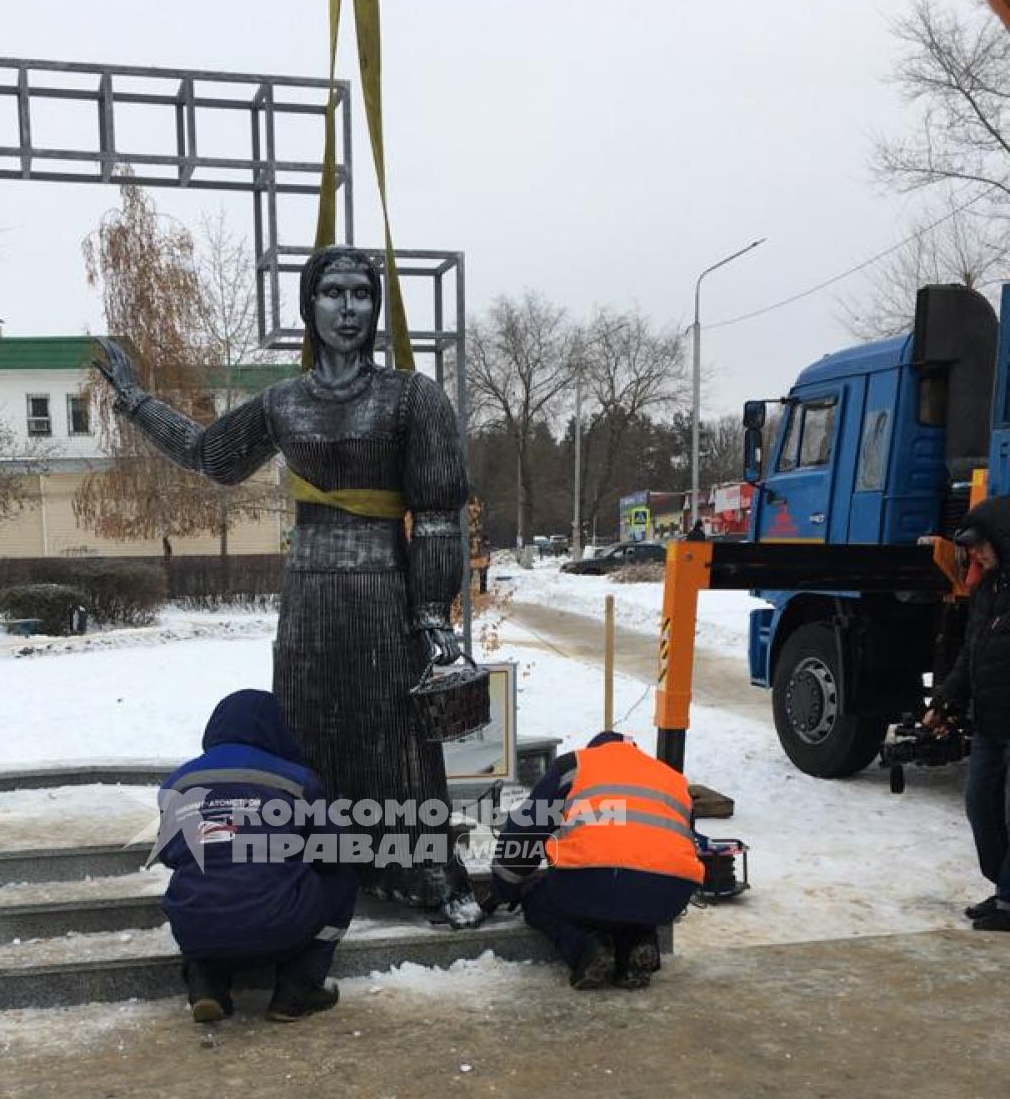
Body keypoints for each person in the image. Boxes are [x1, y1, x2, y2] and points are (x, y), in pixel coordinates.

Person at [93, 244, 479, 926]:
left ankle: (423, 867)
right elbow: (209, 454)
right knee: (308, 727)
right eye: (333, 292)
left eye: (362, 293)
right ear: (310, 305)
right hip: (308, 597)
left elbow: (441, 513)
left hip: (387, 592)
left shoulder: (410, 397)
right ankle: (311, 864)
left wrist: (432, 612)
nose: (349, 307)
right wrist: (135, 401)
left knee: (396, 735)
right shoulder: (284, 404)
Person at [156, 689, 358, 1023]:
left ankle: (205, 983)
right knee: (342, 878)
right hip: (277, 926)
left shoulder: (179, 781)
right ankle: (299, 987)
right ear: (276, 729)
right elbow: (335, 849)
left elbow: (169, 853)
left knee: (202, 886)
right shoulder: (295, 779)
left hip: (195, 930)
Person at [488, 731, 705, 988]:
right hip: (668, 894)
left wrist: (506, 889)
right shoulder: (672, 778)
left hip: (591, 886)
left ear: (595, 748)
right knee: (631, 902)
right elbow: (682, 843)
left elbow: (525, 832)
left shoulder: (575, 766)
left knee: (538, 899)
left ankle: (587, 950)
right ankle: (637, 943)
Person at [927, 496, 1010, 931]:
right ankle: (1004, 890)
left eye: (981, 546)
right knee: (981, 806)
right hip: (991, 721)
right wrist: (945, 699)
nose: (976, 554)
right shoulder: (988, 590)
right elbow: (970, 652)